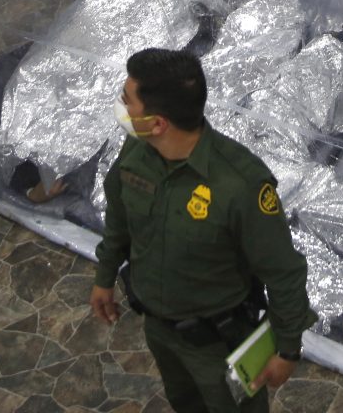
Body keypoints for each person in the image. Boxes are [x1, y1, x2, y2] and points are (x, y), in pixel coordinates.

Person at [91, 49, 314, 413]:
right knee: (185, 404)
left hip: (219, 343)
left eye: (126, 100)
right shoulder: (137, 150)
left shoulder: (240, 185)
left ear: (158, 122)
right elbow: (119, 218)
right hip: (159, 329)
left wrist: (288, 349)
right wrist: (104, 275)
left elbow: (284, 272)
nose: (121, 107)